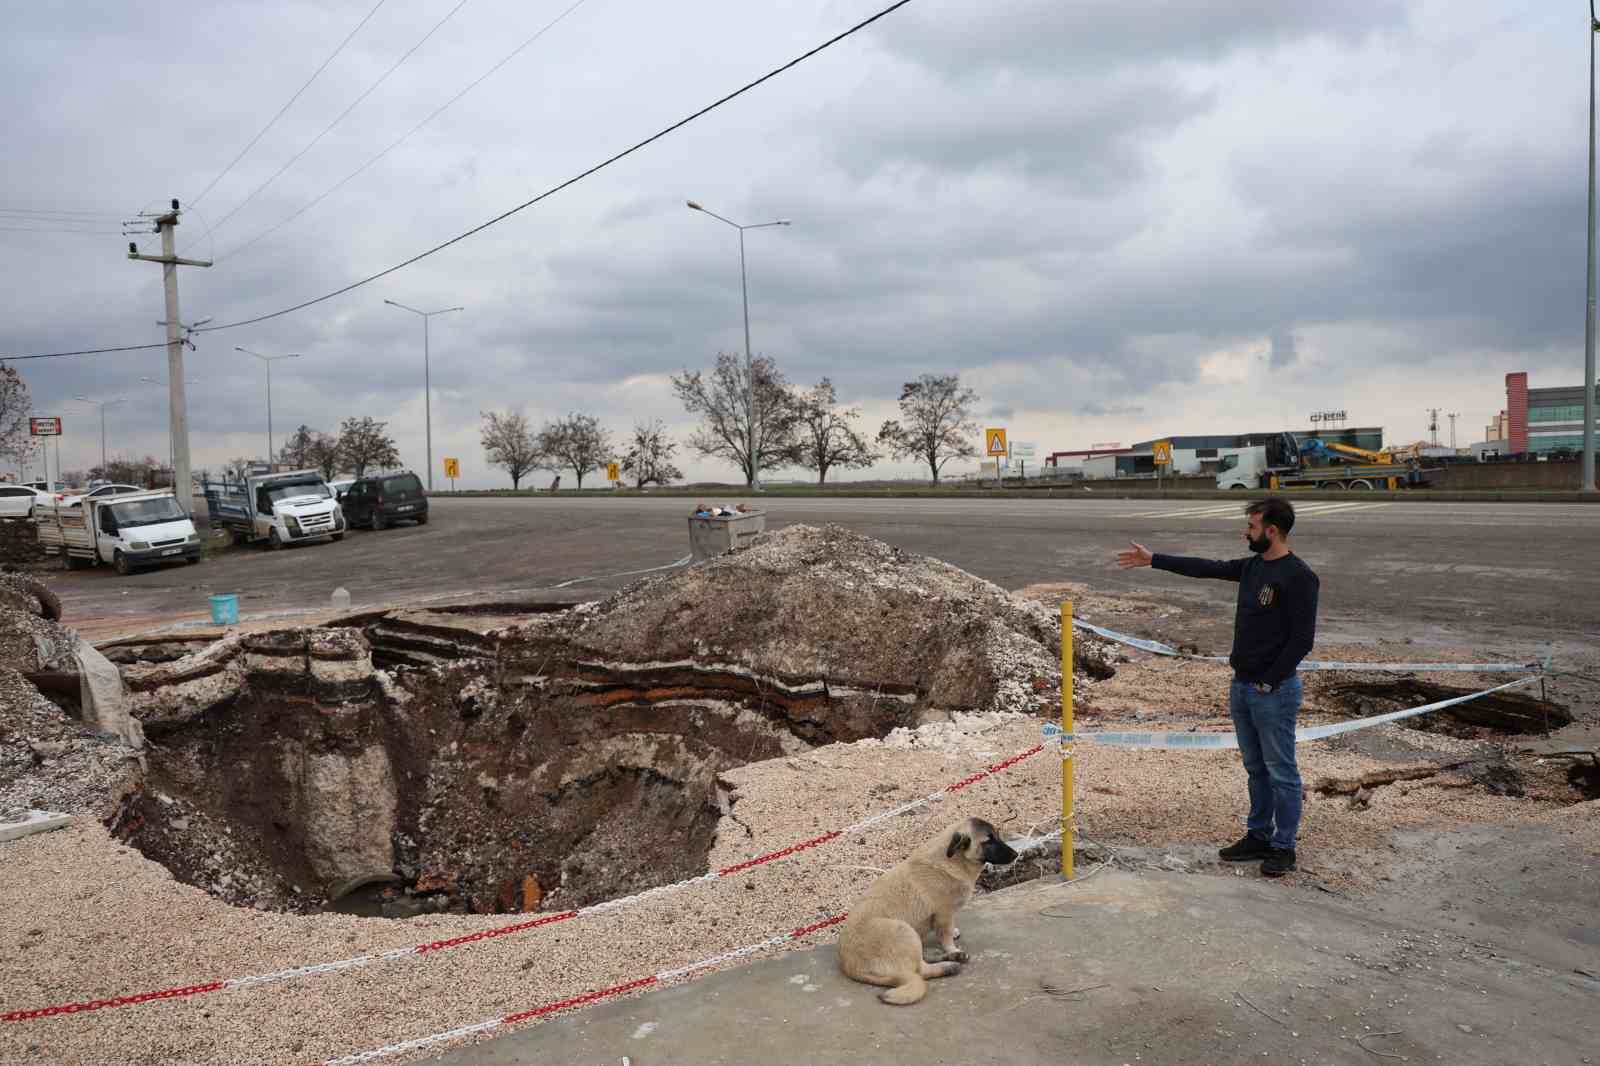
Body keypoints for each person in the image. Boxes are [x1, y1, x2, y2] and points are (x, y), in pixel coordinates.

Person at [1115, 497, 1319, 877]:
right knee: (1255, 768)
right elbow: (1208, 568)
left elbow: (1301, 640)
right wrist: (1154, 559)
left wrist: (1268, 681)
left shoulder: (1299, 576)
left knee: (1281, 771)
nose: (1247, 532)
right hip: (1242, 685)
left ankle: (1283, 847)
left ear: (1272, 530)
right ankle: (1258, 835)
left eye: (1253, 527)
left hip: (1271, 691)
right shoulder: (1253, 567)